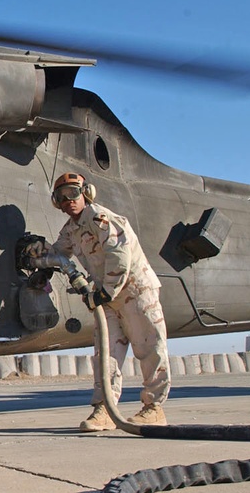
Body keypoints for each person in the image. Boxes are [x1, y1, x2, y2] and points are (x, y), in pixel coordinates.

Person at [47, 172, 171, 431]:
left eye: (73, 193)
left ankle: (154, 408)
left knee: (149, 348)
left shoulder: (101, 219)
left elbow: (119, 254)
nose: (68, 200)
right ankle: (105, 409)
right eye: (61, 197)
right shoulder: (72, 229)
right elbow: (58, 252)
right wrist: (39, 251)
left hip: (134, 291)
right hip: (107, 297)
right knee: (106, 355)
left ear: (86, 193)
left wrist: (106, 291)